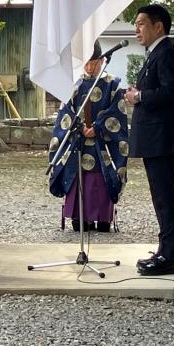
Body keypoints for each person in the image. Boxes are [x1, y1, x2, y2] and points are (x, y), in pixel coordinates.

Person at [125, 5, 174, 276]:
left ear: (158, 26)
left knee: (165, 198)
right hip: (154, 136)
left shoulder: (167, 53)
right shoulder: (155, 54)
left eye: (141, 24)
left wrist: (139, 97)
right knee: (160, 197)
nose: (136, 29)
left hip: (162, 136)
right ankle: (164, 251)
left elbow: (171, 92)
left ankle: (170, 257)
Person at [48, 43, 128, 232]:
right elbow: (66, 112)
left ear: (102, 61)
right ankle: (79, 217)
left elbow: (116, 112)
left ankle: (103, 218)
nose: (91, 67)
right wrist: (80, 127)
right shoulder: (73, 85)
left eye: (95, 63)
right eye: (87, 63)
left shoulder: (112, 84)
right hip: (78, 139)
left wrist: (99, 126)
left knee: (101, 178)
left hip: (103, 142)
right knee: (78, 177)